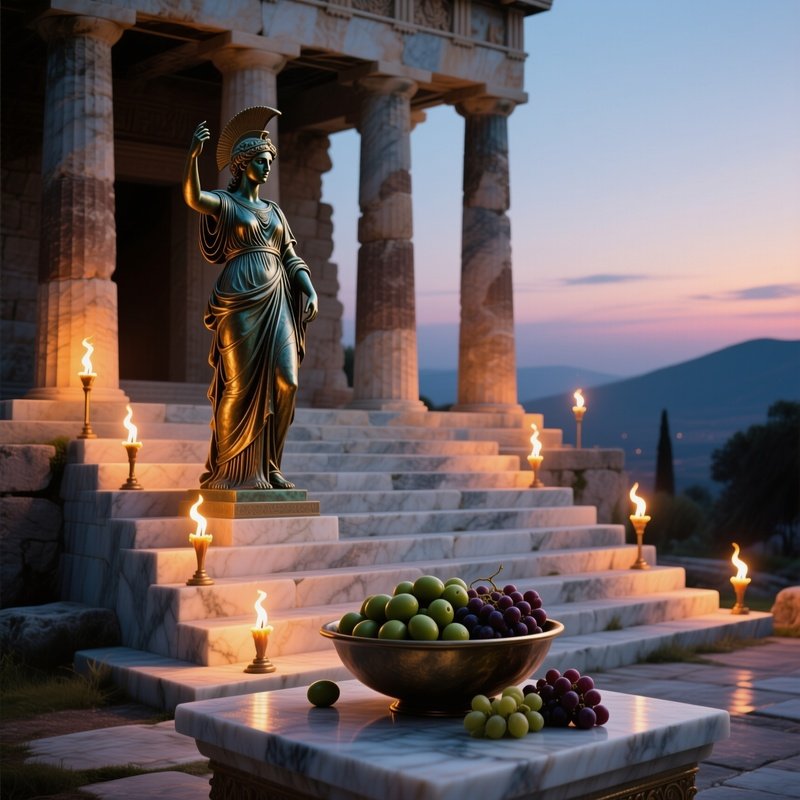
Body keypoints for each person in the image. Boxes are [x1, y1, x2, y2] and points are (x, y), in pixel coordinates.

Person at [183, 107, 318, 490]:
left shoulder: (275, 211)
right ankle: (229, 469)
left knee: (287, 382)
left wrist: (306, 286)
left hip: (277, 297)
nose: (267, 167)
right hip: (239, 297)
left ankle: (272, 464)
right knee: (239, 386)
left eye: (270, 160)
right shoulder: (227, 204)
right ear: (242, 165)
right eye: (261, 161)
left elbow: (290, 255)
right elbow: (193, 198)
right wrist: (193, 156)